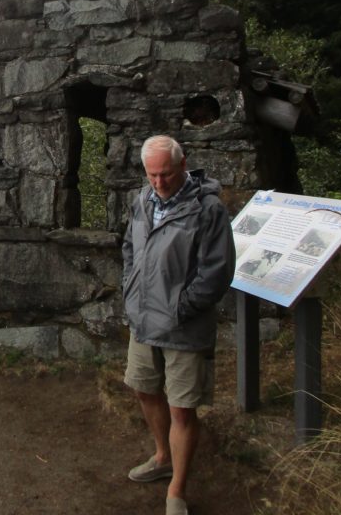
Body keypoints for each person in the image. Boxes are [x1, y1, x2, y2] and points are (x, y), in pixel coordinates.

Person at [121, 135, 234, 515]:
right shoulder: (143, 200)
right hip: (143, 319)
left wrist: (179, 309)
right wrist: (130, 291)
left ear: (183, 164)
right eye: (152, 175)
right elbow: (129, 248)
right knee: (144, 389)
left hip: (184, 326)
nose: (159, 182)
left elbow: (216, 273)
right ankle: (162, 456)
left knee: (182, 409)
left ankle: (176, 492)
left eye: (166, 174)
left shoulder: (208, 209)